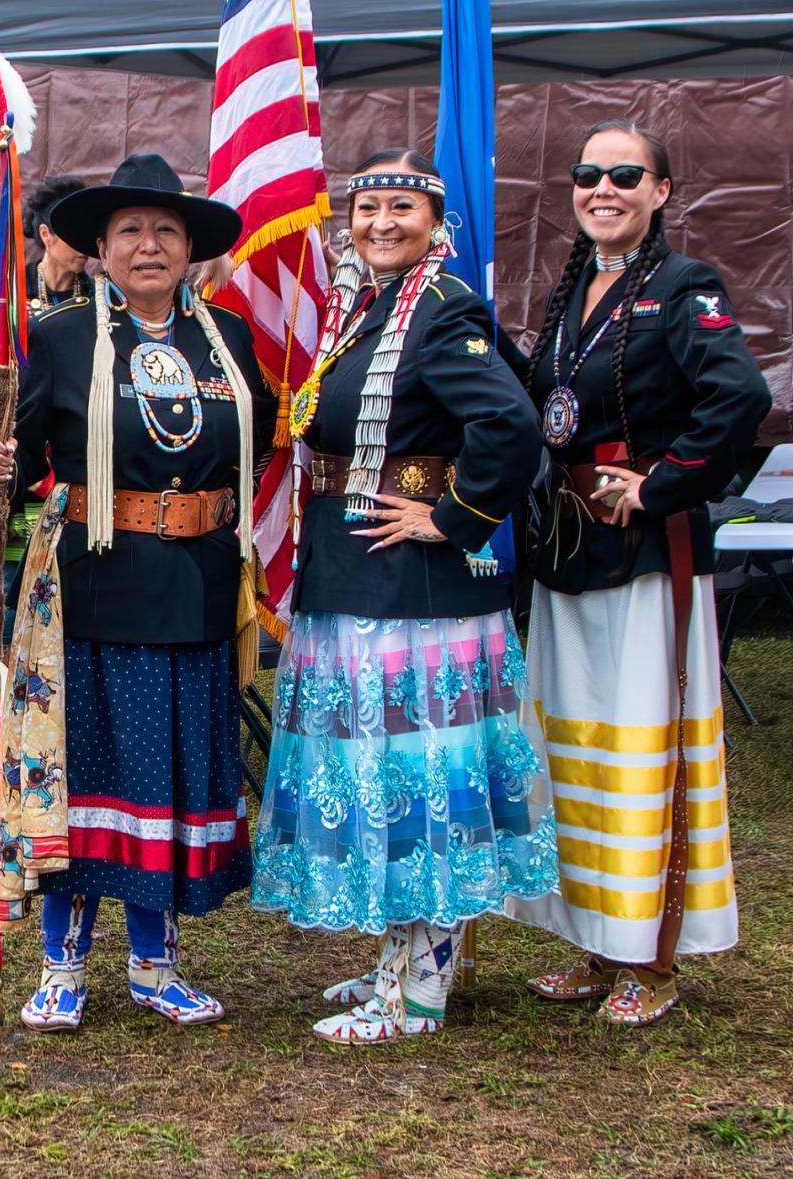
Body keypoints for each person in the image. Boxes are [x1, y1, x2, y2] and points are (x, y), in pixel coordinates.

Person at [251, 148, 557, 1044]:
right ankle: (402, 954)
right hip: (358, 576)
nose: (382, 222)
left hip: (413, 592)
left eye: (402, 208)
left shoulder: (441, 308)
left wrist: (453, 516)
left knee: (412, 784)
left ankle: (417, 992)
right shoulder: (372, 311)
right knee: (382, 779)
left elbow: (510, 421)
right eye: (368, 207)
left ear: (436, 225)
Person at [0, 153, 275, 1032]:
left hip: (199, 589)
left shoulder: (228, 339)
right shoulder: (61, 337)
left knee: (165, 778)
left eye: (167, 231)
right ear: (101, 247)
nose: (149, 245)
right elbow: (23, 455)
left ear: (190, 250)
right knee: (91, 777)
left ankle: (155, 965)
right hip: (93, 590)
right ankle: (62, 967)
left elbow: (245, 455)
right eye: (131, 230)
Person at [507, 117, 771, 1026]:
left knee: (642, 750)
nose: (603, 189)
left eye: (627, 175)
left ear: (661, 192)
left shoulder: (685, 285)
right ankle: (594, 940)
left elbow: (741, 395)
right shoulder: (574, 286)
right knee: (574, 746)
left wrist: (661, 483)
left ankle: (650, 959)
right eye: (588, 174)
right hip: (569, 549)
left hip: (645, 554)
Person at [22, 174, 94, 314]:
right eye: (75, 234)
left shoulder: (96, 297)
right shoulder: (8, 292)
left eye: (88, 234)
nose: (84, 244)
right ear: (46, 234)